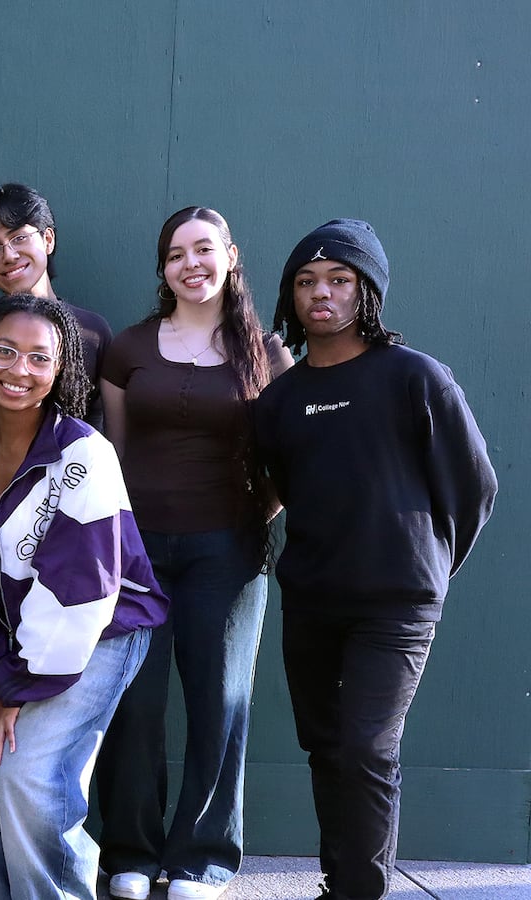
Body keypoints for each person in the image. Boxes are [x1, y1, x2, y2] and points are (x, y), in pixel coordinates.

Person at [254, 219, 496, 900]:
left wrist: (429, 575)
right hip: (312, 600)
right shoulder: (280, 399)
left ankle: (361, 891)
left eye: (338, 279)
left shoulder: (416, 377)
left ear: (368, 291)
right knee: (327, 748)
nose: (320, 293)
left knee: (366, 750)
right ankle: (343, 882)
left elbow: (476, 488)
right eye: (306, 282)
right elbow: (285, 488)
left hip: (396, 605)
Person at [0, 294, 167, 900]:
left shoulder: (83, 454)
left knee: (27, 777)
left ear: (62, 368)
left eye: (40, 357)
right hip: (15, 644)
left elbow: (77, 595)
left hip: (100, 631)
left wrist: (11, 693)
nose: (19, 369)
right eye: (4, 351)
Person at [94, 207, 294, 900]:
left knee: (220, 701)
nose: (191, 264)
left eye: (203, 249)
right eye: (175, 254)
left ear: (231, 256)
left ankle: (202, 859)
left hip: (229, 554)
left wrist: (248, 519)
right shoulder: (128, 347)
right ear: (163, 269)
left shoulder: (268, 354)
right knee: (135, 702)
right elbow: (111, 456)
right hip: (137, 551)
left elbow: (282, 466)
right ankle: (130, 850)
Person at [0, 184, 114, 428]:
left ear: (48, 239)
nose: (9, 255)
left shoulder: (92, 331)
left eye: (19, 238)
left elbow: (97, 419)